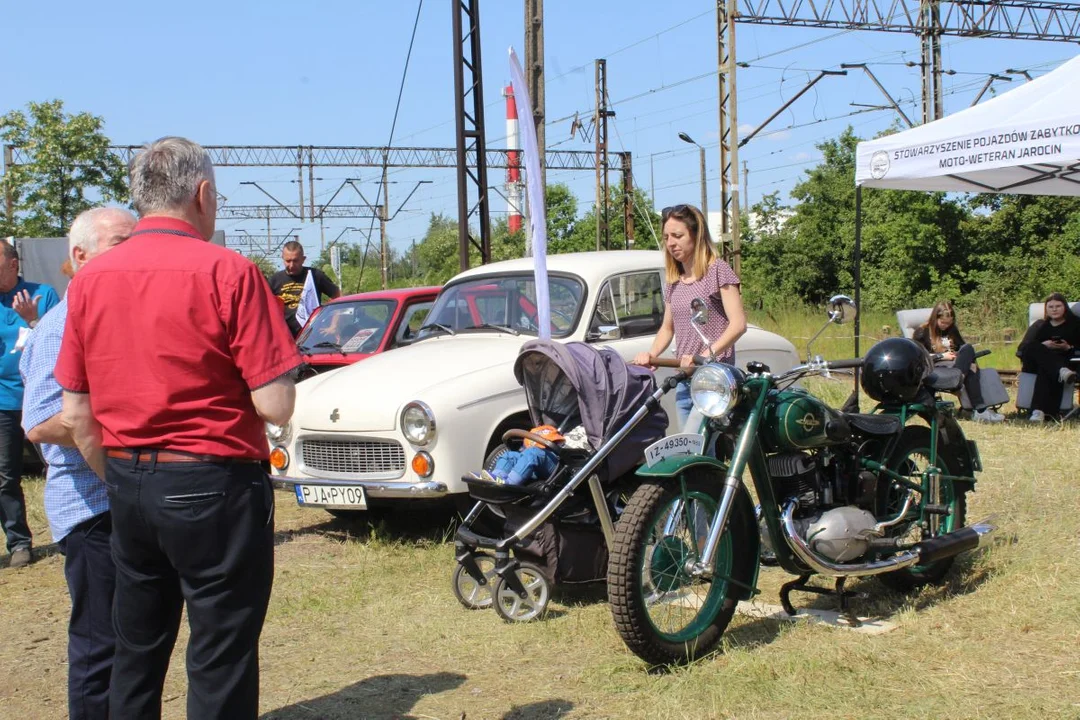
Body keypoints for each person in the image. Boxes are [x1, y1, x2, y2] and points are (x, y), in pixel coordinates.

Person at [54, 137, 301, 719]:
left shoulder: (88, 281)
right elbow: (277, 404)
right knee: (220, 653)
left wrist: (118, 474)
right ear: (203, 194)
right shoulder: (231, 272)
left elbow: (76, 413)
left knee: (136, 649)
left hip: (128, 483)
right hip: (213, 483)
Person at [20, 206, 135, 719]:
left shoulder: (122, 312)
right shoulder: (60, 323)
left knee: (134, 641)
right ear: (80, 255)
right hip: (91, 510)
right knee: (99, 645)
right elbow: (42, 421)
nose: (132, 251)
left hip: (130, 502)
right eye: (119, 241)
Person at [631, 204, 747, 425]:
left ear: (696, 234)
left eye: (677, 235)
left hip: (713, 380)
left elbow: (738, 324)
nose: (671, 243)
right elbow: (667, 328)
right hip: (685, 379)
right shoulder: (674, 281)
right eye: (666, 237)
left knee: (694, 444)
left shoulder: (717, 271)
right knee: (693, 448)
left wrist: (704, 354)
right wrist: (650, 355)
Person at [0, 239, 60, 568]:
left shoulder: (44, 294)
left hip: (43, 398)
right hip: (3, 402)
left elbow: (58, 343)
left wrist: (32, 318)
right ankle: (19, 542)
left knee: (57, 466)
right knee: (6, 476)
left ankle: (69, 531)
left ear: (13, 264)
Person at [912, 300, 1004, 423]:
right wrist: (941, 356)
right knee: (971, 369)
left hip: (955, 366)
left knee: (968, 349)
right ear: (935, 318)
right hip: (936, 366)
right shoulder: (922, 331)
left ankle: (959, 379)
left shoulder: (952, 330)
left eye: (949, 323)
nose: (946, 326)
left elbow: (962, 349)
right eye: (943, 323)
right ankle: (980, 411)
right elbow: (919, 356)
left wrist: (961, 357)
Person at [1017, 292, 1080, 422]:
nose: (1054, 309)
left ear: (1065, 307)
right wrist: (1043, 345)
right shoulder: (1040, 325)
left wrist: (1069, 348)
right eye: (1050, 307)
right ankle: (1061, 371)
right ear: (1046, 309)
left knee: (1046, 368)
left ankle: (1038, 412)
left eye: (1058, 306)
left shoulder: (1075, 324)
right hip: (1037, 362)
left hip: (1065, 358)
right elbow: (1022, 348)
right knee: (1034, 346)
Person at [269, 241, 341, 336]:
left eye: (295, 261)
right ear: (282, 259)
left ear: (303, 259)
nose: (291, 265)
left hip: (311, 335)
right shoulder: (274, 280)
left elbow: (338, 297)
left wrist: (333, 325)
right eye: (288, 261)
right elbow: (263, 308)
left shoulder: (315, 275)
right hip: (285, 336)